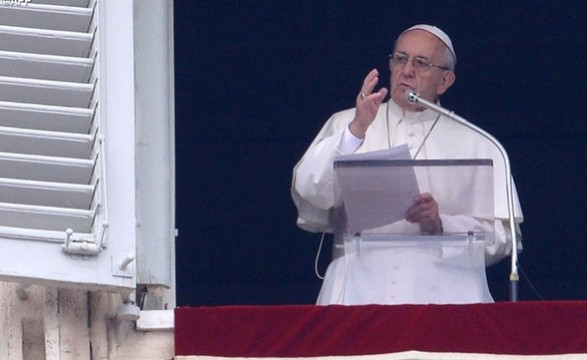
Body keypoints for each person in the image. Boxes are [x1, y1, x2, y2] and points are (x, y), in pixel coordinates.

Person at [291, 24, 524, 305]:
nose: (407, 70)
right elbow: (310, 191)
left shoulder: (480, 143)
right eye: (400, 59)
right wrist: (356, 131)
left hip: (446, 298)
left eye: (421, 63)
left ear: (445, 81)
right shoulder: (348, 124)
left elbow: (503, 239)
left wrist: (440, 224)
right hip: (356, 292)